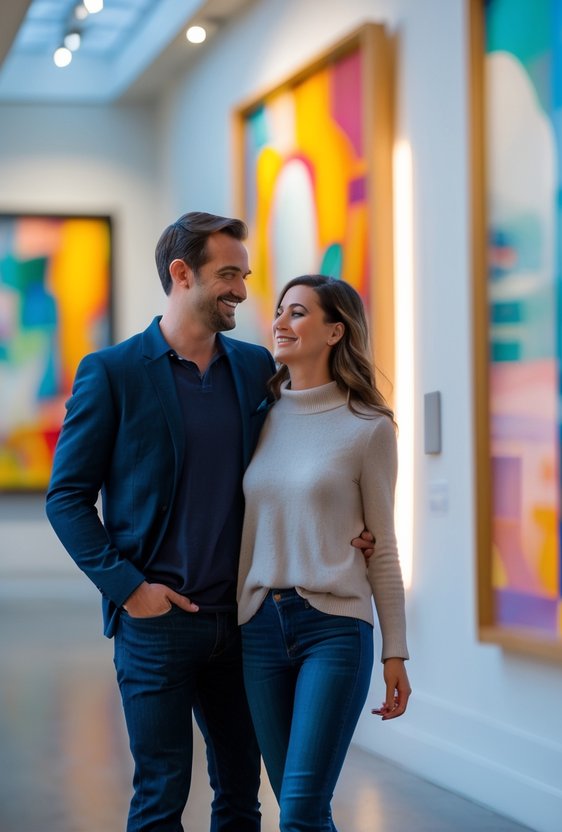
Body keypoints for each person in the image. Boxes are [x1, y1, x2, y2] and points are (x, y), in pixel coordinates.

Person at [45, 212, 375, 832]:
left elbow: (302, 459)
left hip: (246, 624)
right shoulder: (112, 372)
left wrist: (347, 523)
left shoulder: (256, 369)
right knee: (160, 796)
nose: (243, 291)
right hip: (156, 624)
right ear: (182, 273)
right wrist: (130, 590)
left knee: (241, 796)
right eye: (229, 275)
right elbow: (65, 498)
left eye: (244, 275)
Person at [236, 274, 410, 830]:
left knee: (300, 811)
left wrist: (395, 652)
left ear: (336, 331)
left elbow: (383, 548)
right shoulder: (257, 417)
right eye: (280, 311)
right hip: (259, 627)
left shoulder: (369, 428)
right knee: (301, 811)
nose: (280, 323)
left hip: (334, 628)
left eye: (298, 313)